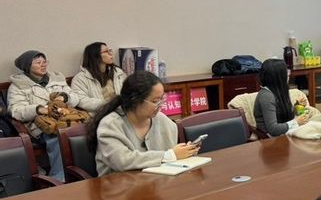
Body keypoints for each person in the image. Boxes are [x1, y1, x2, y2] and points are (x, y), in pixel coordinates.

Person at [88, 70, 199, 176]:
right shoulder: (110, 124)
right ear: (135, 100)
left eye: (162, 99)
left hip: (156, 183)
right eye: (155, 101)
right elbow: (122, 161)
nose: (160, 105)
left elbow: (172, 158)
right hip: (117, 185)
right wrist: (168, 155)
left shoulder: (163, 120)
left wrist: (185, 152)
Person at [7, 50, 77, 180]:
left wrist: (64, 97)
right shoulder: (18, 86)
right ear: (28, 66)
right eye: (38, 62)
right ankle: (59, 178)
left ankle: (81, 172)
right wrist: (38, 109)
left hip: (65, 119)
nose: (43, 65)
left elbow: (75, 97)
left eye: (45, 62)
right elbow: (16, 111)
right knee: (58, 136)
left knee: (84, 132)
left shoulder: (57, 79)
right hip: (39, 125)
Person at [254, 59, 311, 137]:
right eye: (286, 73)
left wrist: (297, 106)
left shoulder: (278, 91)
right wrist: (295, 122)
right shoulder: (266, 96)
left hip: (283, 135)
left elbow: (285, 118)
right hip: (270, 140)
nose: (288, 75)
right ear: (278, 77)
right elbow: (273, 129)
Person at [70, 42, 127, 114]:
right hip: (99, 115)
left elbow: (127, 91)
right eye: (106, 51)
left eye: (110, 50)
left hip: (122, 112)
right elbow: (81, 100)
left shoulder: (118, 72)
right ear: (95, 56)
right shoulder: (80, 78)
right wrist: (107, 104)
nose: (110, 53)